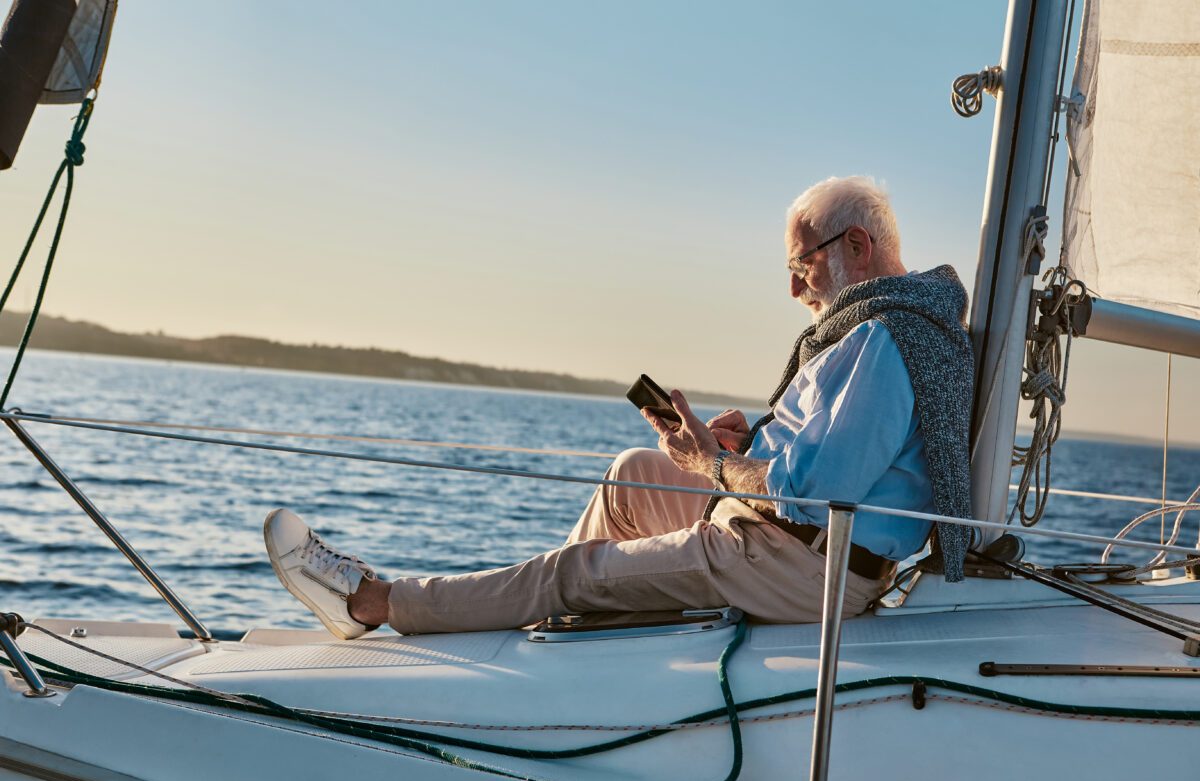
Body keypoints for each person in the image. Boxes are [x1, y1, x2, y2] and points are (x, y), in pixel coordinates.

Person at [263, 176, 975, 640]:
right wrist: (740, 450)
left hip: (806, 567)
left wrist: (716, 465)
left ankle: (372, 601)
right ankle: (554, 622)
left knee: (570, 571)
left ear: (856, 243)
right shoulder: (875, 329)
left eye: (801, 266)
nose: (794, 291)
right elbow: (819, 458)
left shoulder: (886, 339)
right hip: (779, 535)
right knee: (633, 472)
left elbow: (822, 494)